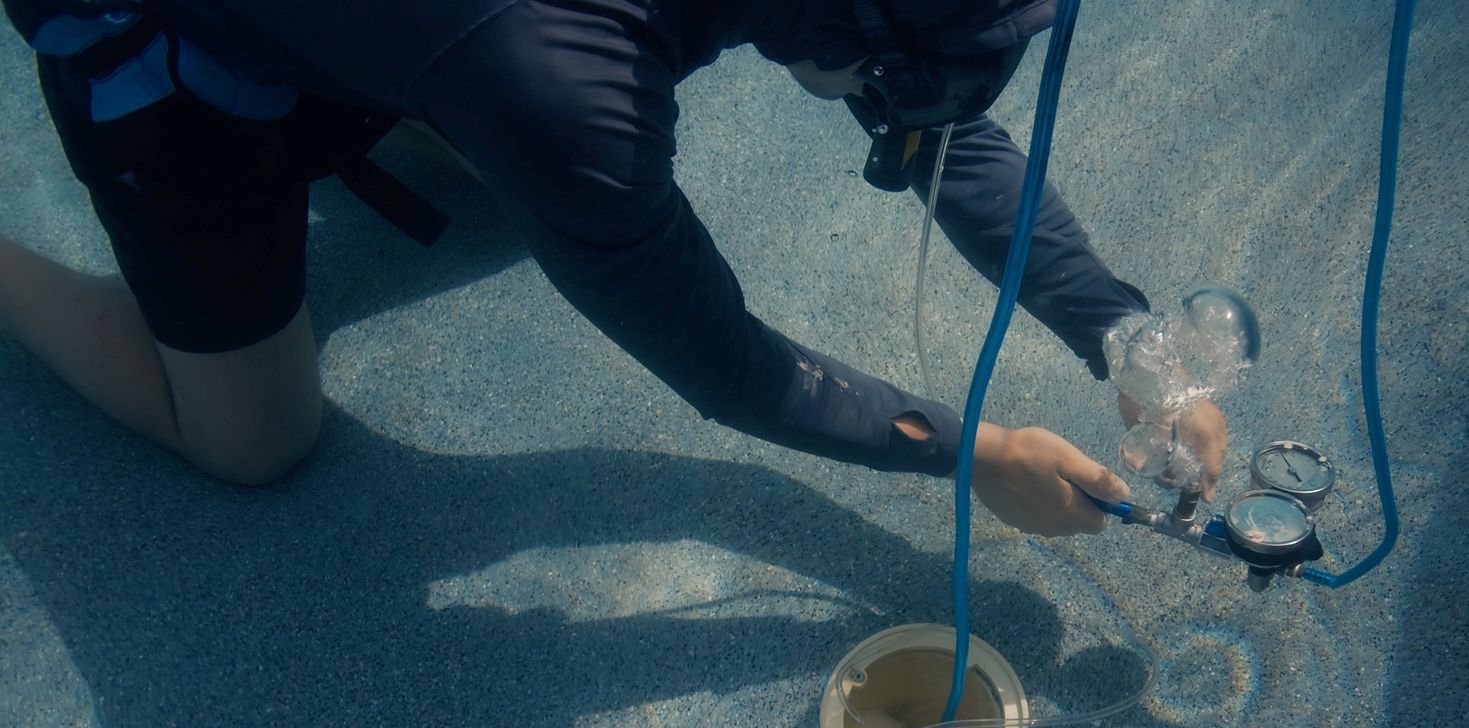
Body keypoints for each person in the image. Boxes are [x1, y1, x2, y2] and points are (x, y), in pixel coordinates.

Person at [0, 0, 1227, 536]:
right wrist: (979, 456)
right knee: (253, 443)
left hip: (467, 42)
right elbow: (730, 366)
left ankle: (397, 92)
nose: (916, 112)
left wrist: (1130, 340)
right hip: (158, 28)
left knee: (528, 175)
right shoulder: (563, 89)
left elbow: (941, 141)